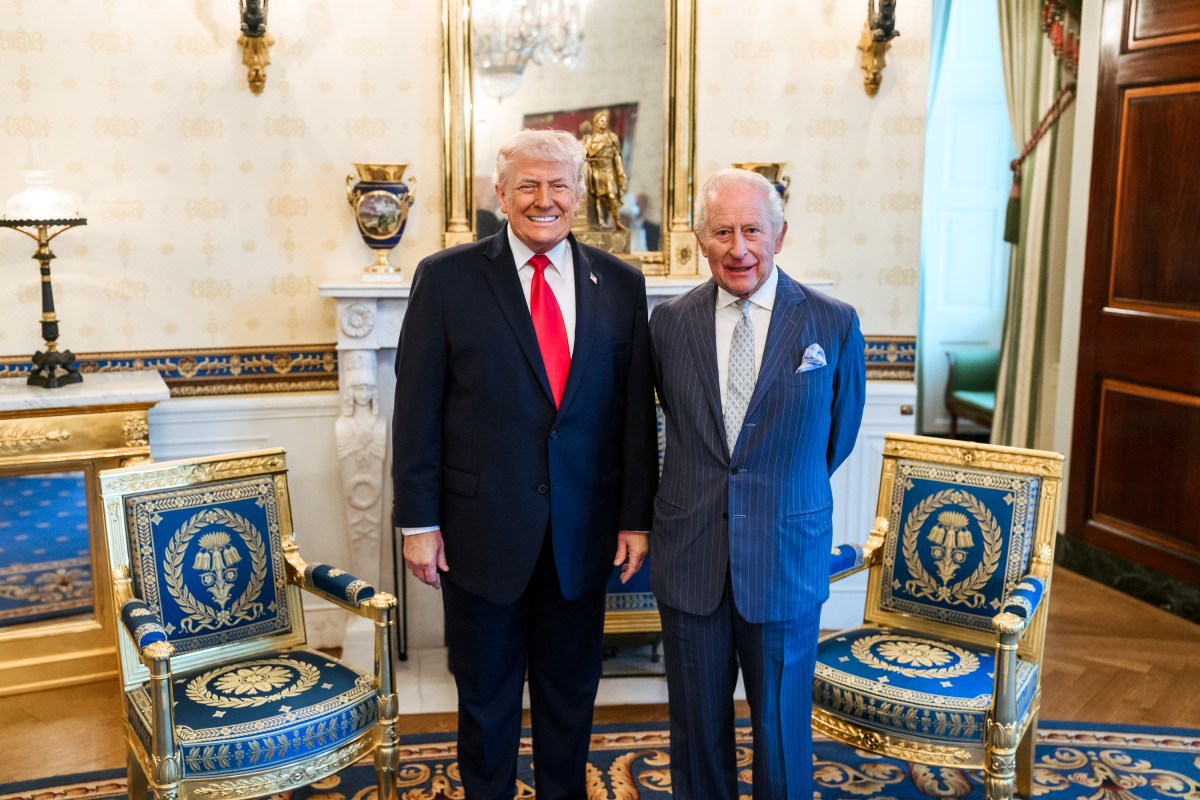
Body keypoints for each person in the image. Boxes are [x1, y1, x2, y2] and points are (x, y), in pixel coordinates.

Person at [392, 128, 658, 800]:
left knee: (572, 698)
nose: (546, 199)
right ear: (501, 195)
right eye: (529, 186)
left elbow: (631, 416)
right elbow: (416, 407)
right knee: (486, 700)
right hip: (481, 533)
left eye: (559, 185)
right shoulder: (446, 278)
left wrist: (635, 518)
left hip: (583, 534)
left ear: (579, 195)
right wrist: (417, 522)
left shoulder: (621, 284)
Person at [648, 168, 866, 799]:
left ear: (780, 234)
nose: (738, 247)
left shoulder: (832, 322)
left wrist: (775, 493)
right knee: (694, 730)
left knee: (781, 731)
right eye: (722, 232)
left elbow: (838, 436)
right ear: (700, 240)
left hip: (785, 554)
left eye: (752, 230)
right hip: (692, 555)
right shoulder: (668, 324)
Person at [580, 110, 627, 231]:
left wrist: (621, 172)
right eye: (601, 121)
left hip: (609, 170)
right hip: (595, 169)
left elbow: (617, 156)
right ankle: (600, 223)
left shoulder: (612, 138)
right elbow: (584, 154)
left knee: (612, 196)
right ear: (596, 123)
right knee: (597, 197)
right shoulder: (590, 140)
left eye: (605, 121)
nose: (603, 123)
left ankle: (617, 222)